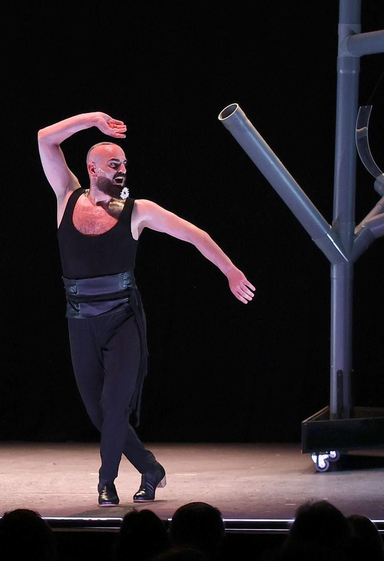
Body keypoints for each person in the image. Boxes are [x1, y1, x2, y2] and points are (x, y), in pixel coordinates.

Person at [37, 111, 255, 507]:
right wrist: (92, 122)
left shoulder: (137, 209)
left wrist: (230, 270)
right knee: (100, 416)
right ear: (92, 167)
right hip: (80, 321)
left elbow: (195, 235)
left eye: (125, 164)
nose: (122, 169)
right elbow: (45, 138)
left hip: (123, 320)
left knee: (115, 405)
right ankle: (150, 469)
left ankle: (106, 482)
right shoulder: (66, 196)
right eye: (113, 163)